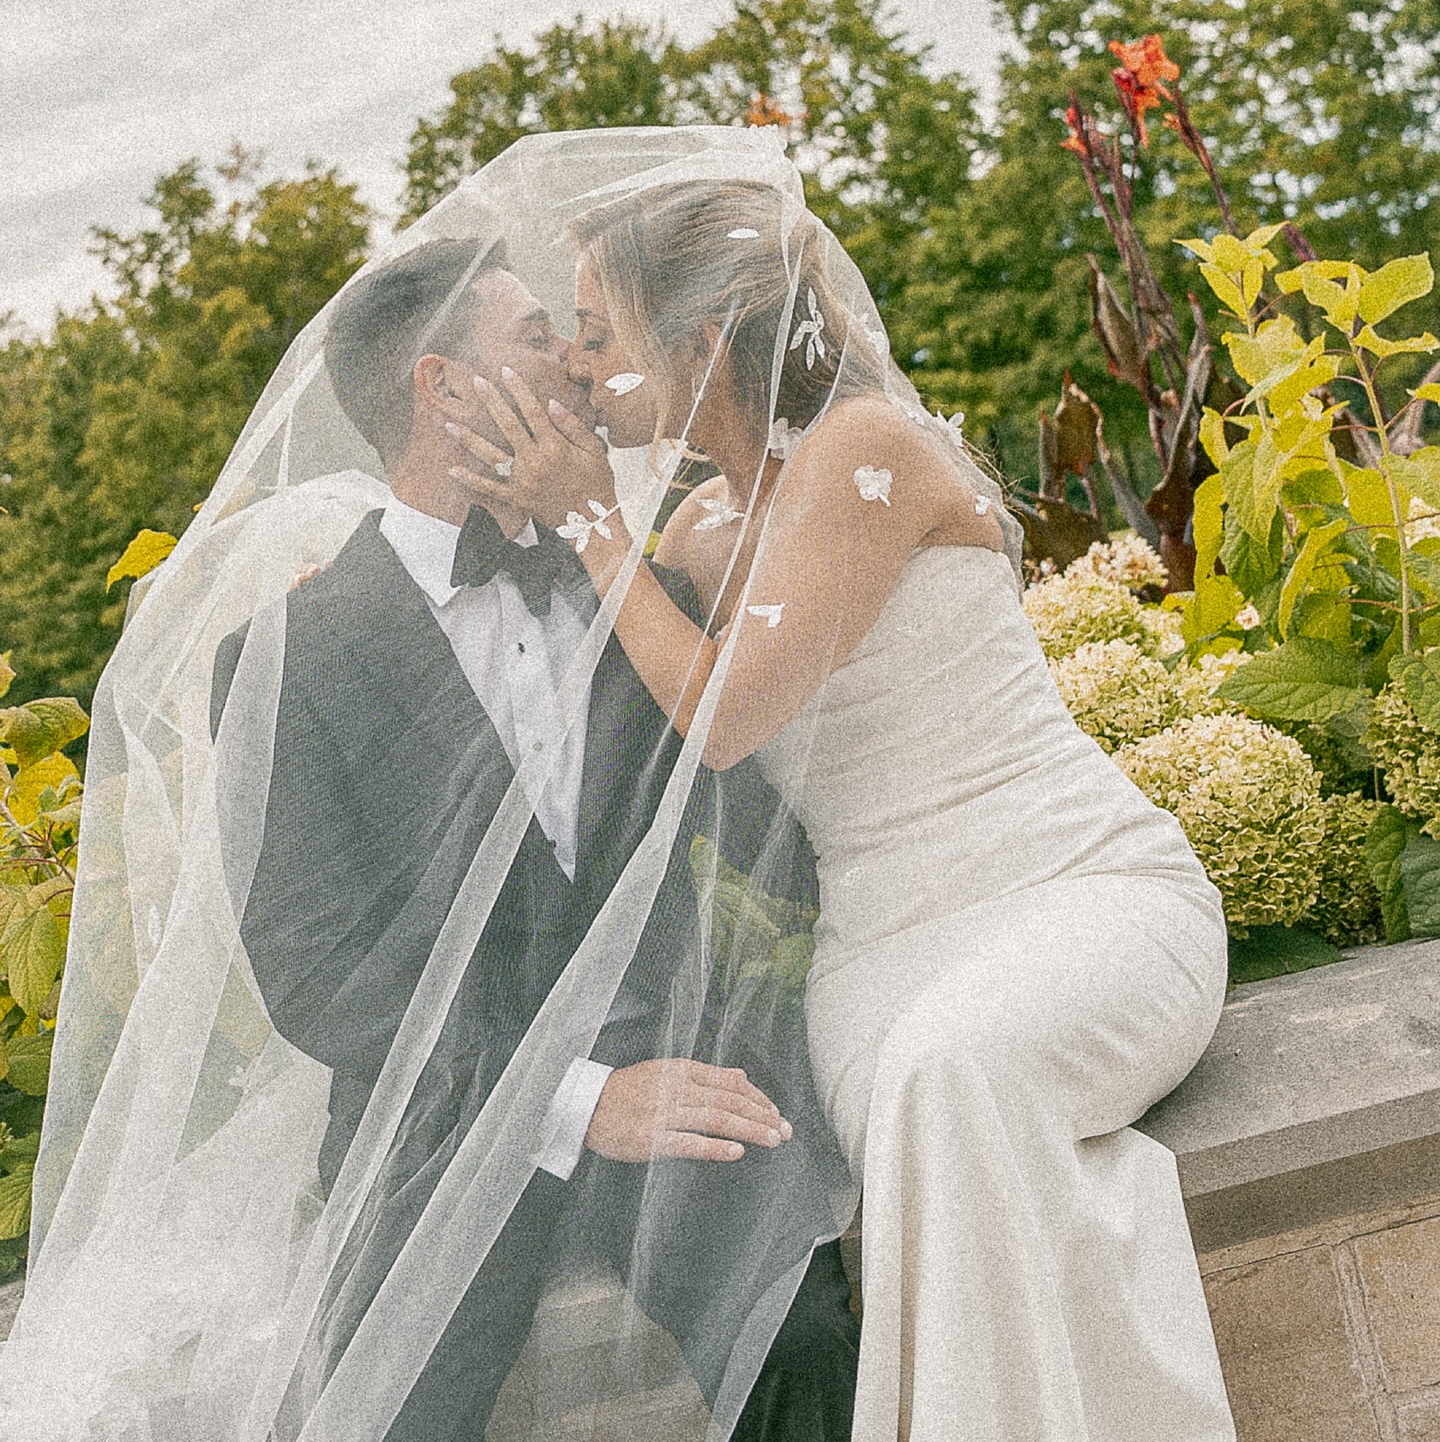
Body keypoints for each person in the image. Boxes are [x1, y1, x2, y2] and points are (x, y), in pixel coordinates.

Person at [443, 146, 1238, 1441]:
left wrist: (591, 522)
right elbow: (634, 723)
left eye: (599, 334)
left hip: (1082, 896)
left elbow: (728, 711)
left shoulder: (870, 452)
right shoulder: (697, 531)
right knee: (938, 1076)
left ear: (698, 340)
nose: (581, 366)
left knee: (956, 1075)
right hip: (880, 967)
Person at [213, 238, 859, 1439]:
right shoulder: (281, 662)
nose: (571, 360)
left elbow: (782, 804)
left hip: (680, 1064)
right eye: (530, 337)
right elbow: (319, 972)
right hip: (438, 1129)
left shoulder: (636, 568)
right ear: (443, 389)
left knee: (807, 1333)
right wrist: (572, 1099)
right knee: (381, 1414)